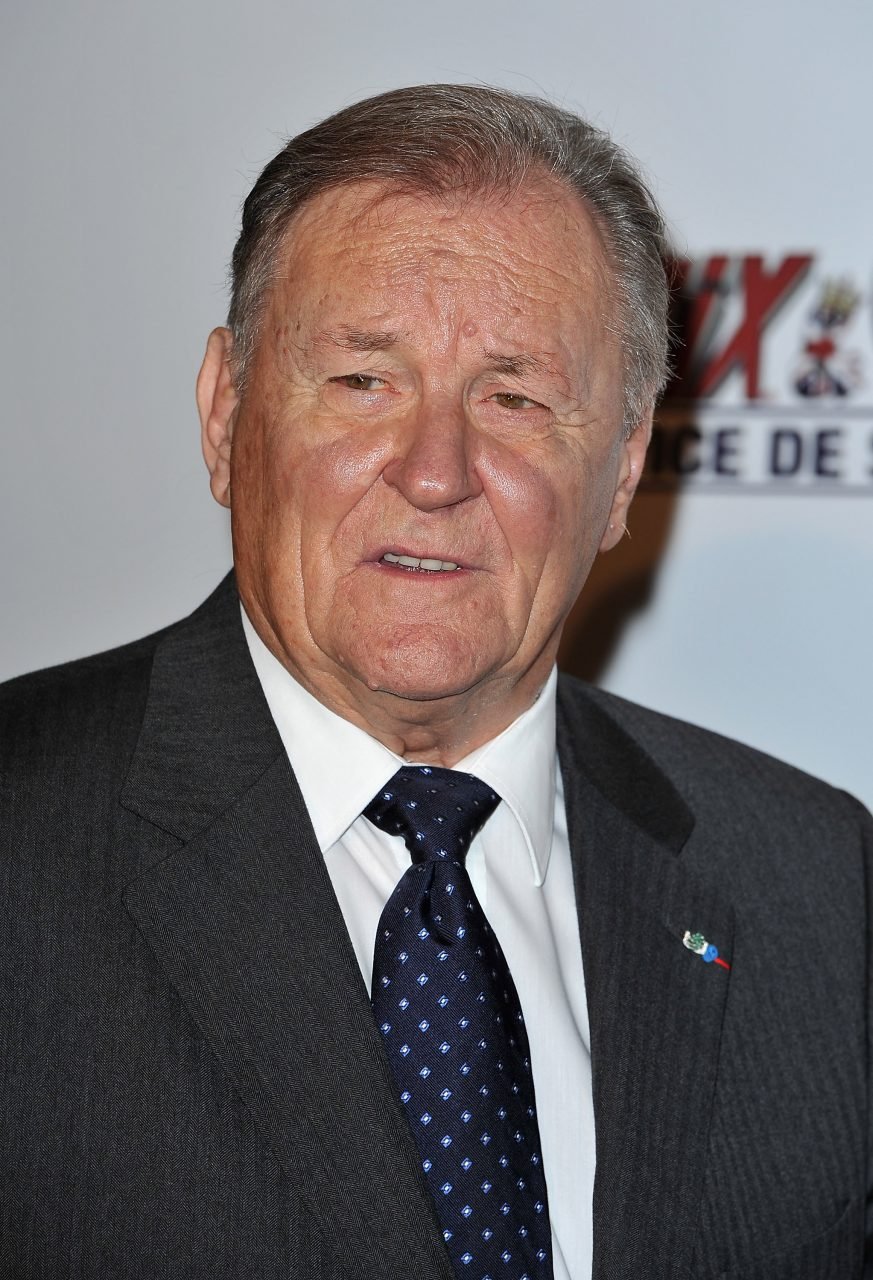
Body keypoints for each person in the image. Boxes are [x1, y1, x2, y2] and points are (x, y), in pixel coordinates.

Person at [1, 84, 869, 1280]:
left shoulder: (817, 889)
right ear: (224, 413)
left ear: (622, 470)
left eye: (515, 398)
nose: (435, 470)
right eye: (364, 379)